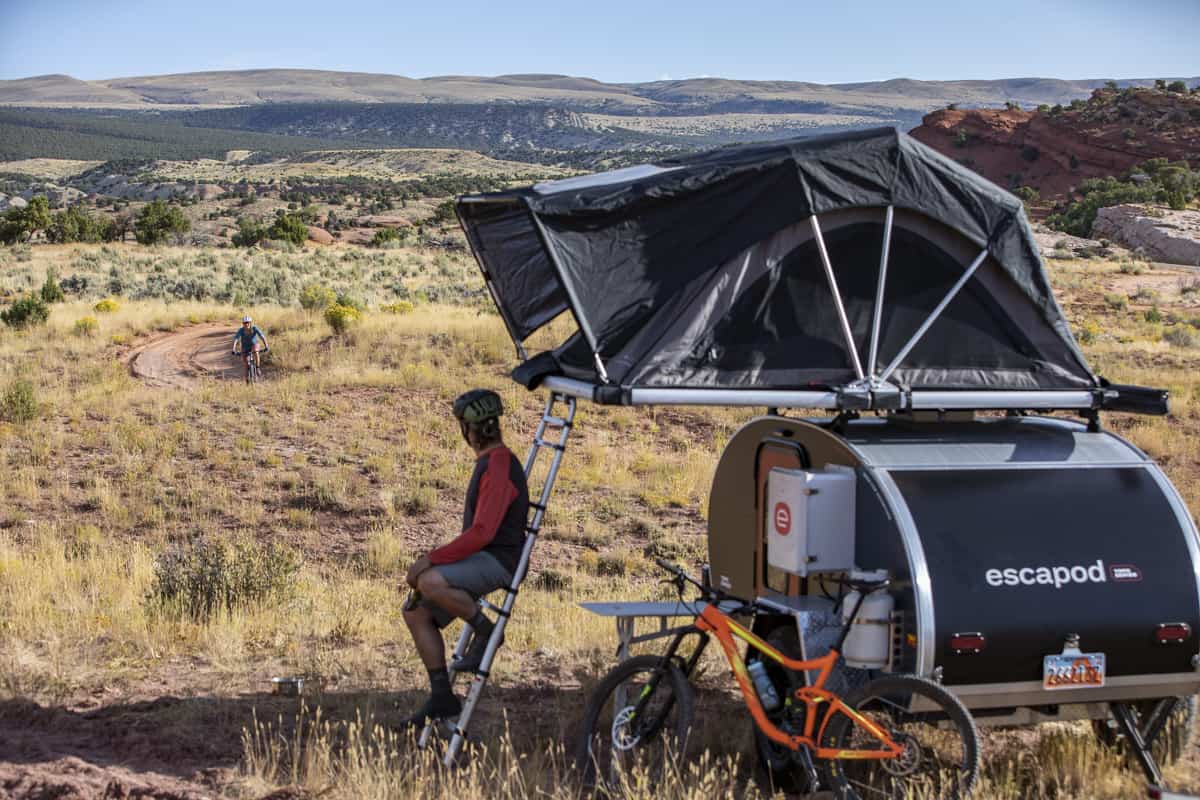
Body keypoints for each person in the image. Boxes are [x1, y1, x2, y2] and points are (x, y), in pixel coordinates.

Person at [400, 388, 529, 727]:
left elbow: (483, 532)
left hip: (499, 562)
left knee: (430, 580)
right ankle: (442, 696)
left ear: (469, 430)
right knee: (415, 613)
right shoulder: (490, 462)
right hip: (482, 558)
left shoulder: (499, 465)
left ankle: (487, 633)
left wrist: (430, 559)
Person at [231, 315, 268, 379]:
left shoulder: (254, 328)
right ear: (243, 324)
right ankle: (247, 379)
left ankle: (257, 368)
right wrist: (233, 349)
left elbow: (262, 336)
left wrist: (266, 345)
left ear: (250, 323)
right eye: (245, 323)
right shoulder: (241, 330)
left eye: (248, 322)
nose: (246, 324)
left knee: (255, 351)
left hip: (254, 344)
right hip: (245, 347)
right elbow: (236, 339)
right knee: (246, 363)